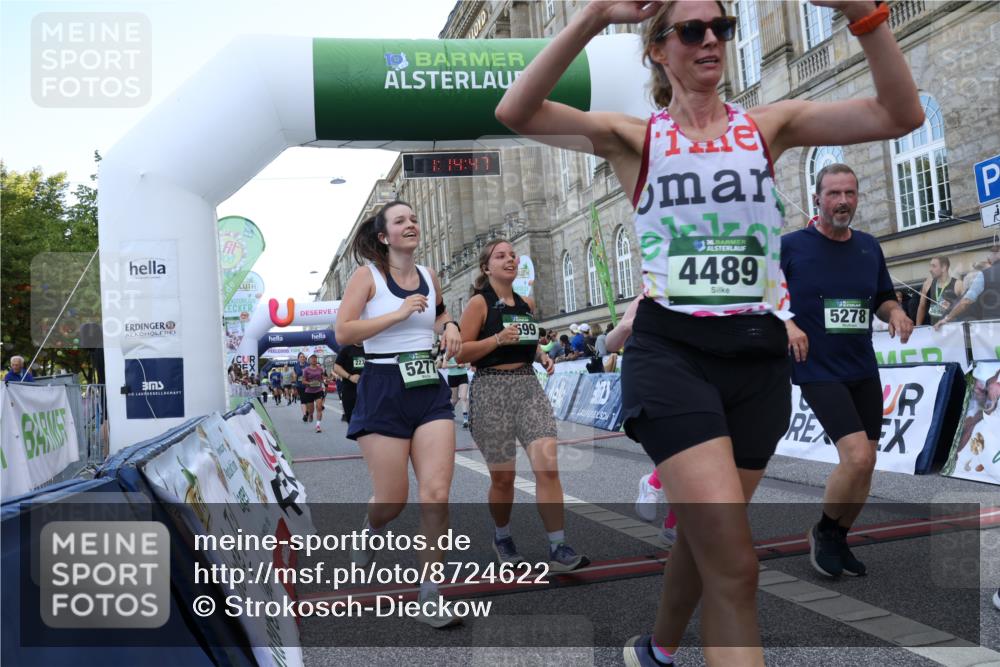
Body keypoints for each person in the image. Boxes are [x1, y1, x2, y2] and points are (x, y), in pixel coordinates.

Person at [496, 0, 923, 663]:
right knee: (737, 566)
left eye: (721, 27)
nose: (711, 40)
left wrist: (864, 16)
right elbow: (516, 111)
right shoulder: (635, 136)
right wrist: (593, 16)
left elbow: (901, 116)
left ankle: (659, 648)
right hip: (672, 355)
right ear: (658, 51)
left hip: (756, 362)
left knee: (706, 542)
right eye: (691, 30)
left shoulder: (767, 127)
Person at [334, 199, 464, 628]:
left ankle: (431, 595)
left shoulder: (429, 275)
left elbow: (440, 311)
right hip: (383, 385)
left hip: (427, 387)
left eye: (413, 218)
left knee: (436, 493)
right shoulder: (367, 276)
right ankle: (371, 530)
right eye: (400, 221)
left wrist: (449, 327)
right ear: (383, 237)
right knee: (392, 499)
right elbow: (344, 332)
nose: (411, 224)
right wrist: (396, 314)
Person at [781, 163, 914, 578]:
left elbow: (882, 297)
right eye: (834, 193)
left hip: (861, 365)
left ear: (857, 198)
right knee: (855, 456)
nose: (842, 201)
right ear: (816, 198)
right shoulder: (790, 246)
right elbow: (762, 295)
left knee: (868, 461)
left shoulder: (868, 247)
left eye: (850, 193)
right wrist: (787, 324)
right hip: (816, 366)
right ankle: (823, 531)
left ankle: (838, 536)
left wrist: (896, 313)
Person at [456, 239, 587, 571]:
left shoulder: (526, 303)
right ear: (487, 268)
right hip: (490, 389)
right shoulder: (478, 304)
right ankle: (502, 536)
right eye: (501, 256)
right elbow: (460, 353)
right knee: (504, 479)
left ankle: (558, 547)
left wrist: (541, 355)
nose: (510, 259)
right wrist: (497, 339)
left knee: (548, 466)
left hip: (528, 386)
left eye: (512, 255)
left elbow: (526, 343)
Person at [936, 246, 1000, 327]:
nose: (988, 258)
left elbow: (966, 301)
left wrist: (947, 318)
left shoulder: (984, 274)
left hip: (993, 327)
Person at [915, 256, 962, 326]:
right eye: (930, 266)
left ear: (944, 268)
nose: (930, 270)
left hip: (953, 330)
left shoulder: (958, 284)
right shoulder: (927, 284)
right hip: (934, 329)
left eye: (934, 266)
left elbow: (965, 306)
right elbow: (922, 307)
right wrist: (918, 327)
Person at [333, 343, 366, 423]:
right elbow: (336, 367)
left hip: (367, 390)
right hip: (350, 390)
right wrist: (350, 377)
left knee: (368, 421)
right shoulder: (346, 349)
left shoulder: (369, 348)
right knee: (351, 420)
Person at [438, 352, 470, 428]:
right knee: (454, 400)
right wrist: (456, 365)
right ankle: (450, 410)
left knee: (463, 397)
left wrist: (464, 365)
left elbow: (468, 366)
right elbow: (444, 366)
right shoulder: (447, 354)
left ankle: (465, 420)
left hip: (463, 375)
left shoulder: (463, 351)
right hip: (452, 377)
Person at [301, 354, 325, 432]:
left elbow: (322, 378)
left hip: (318, 390)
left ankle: (318, 425)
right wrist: (310, 383)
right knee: (311, 410)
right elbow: (303, 381)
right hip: (309, 392)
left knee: (319, 407)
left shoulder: (320, 369)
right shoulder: (306, 370)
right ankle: (310, 415)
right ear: (309, 360)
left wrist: (325, 380)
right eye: (312, 358)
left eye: (315, 358)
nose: (314, 359)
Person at [292, 352, 309, 420]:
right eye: (301, 357)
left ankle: (307, 411)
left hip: (308, 385)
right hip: (299, 385)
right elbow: (294, 374)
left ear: (305, 358)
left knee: (308, 400)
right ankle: (304, 415)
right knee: (303, 400)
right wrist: (294, 377)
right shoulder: (296, 366)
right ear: (298, 358)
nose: (302, 358)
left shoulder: (308, 365)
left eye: (303, 357)